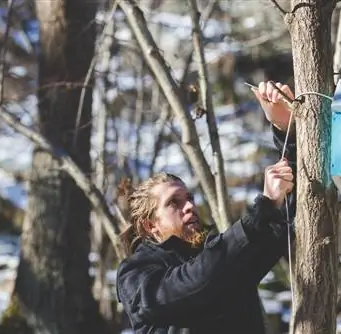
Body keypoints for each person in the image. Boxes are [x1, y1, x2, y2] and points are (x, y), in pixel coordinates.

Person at [116, 81, 297, 334]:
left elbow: (288, 220)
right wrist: (262, 208)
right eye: (174, 203)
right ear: (150, 225)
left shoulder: (219, 254)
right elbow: (197, 281)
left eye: (189, 198)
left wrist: (286, 130)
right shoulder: (136, 275)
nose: (189, 206)